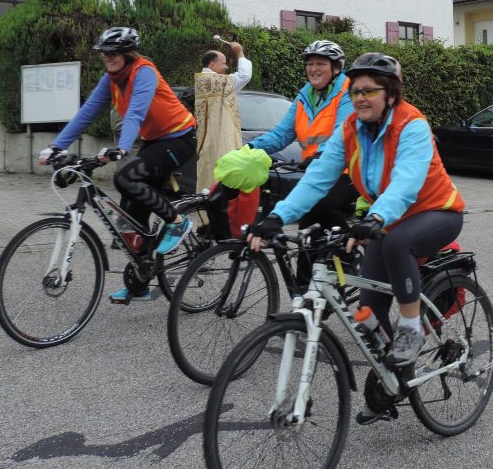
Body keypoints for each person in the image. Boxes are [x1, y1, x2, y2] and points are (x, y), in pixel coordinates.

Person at [248, 52, 464, 374]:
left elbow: (407, 181)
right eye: (355, 92)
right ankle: (394, 380)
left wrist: (375, 218)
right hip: (385, 220)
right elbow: (319, 176)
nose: (361, 98)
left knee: (396, 244)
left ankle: (410, 331)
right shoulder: (349, 128)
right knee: (367, 319)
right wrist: (277, 217)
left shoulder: (412, 124)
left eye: (370, 91)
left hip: (436, 211)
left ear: (390, 94)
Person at [38, 27, 197, 302]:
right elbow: (87, 112)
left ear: (127, 54)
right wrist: (57, 146)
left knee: (126, 177)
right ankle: (140, 283)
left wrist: (122, 148)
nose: (108, 58)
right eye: (105, 54)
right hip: (155, 140)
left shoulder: (143, 71)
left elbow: (135, 111)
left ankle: (177, 221)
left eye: (114, 53)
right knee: (129, 219)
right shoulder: (111, 79)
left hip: (180, 137)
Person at [248, 40, 357, 232]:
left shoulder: (348, 93)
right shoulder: (305, 96)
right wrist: (250, 148)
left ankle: (350, 250)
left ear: (336, 68)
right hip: (316, 171)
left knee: (321, 205)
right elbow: (282, 134)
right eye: (310, 64)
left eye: (320, 64)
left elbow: (343, 130)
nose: (313, 69)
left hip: (347, 171)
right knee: (307, 235)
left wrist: (321, 155)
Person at [195, 40, 252, 192]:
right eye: (224, 63)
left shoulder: (200, 81)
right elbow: (245, 75)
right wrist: (239, 53)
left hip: (206, 142)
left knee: (207, 179)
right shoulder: (220, 82)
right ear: (212, 65)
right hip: (221, 141)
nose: (226, 67)